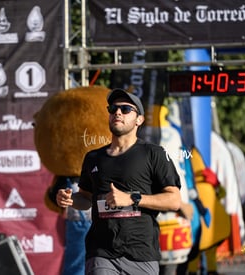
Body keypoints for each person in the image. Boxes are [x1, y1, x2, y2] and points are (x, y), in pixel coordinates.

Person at [56, 88, 181, 275]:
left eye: (125, 109)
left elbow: (174, 200)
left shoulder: (154, 153)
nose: (117, 112)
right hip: (101, 253)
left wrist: (132, 198)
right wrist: (70, 199)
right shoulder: (93, 158)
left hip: (141, 254)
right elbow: (85, 198)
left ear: (139, 119)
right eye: (113, 108)